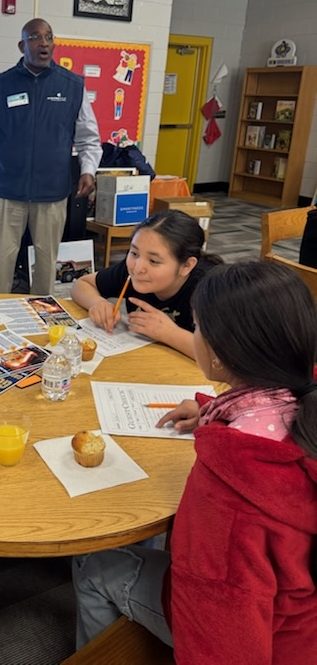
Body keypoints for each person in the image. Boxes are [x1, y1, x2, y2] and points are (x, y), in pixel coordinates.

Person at [73, 260, 317, 663]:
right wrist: (212, 410)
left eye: (198, 327)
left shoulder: (232, 489)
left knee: (94, 564)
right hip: (300, 616)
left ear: (219, 354)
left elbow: (222, 639)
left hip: (273, 640)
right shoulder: (303, 397)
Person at [0, 18, 102, 295]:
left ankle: (42, 313)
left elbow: (88, 138)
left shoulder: (72, 86)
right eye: (35, 37)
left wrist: (88, 170)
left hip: (52, 193)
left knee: (46, 262)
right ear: (22, 46)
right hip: (9, 191)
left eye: (49, 37)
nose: (43, 43)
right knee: (0, 260)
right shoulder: (0, 86)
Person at [70, 209, 222, 358]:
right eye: (134, 253)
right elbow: (82, 284)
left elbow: (221, 357)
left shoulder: (211, 289)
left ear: (187, 266)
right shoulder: (131, 270)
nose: (138, 268)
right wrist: (97, 303)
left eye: (154, 261)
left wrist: (170, 334)